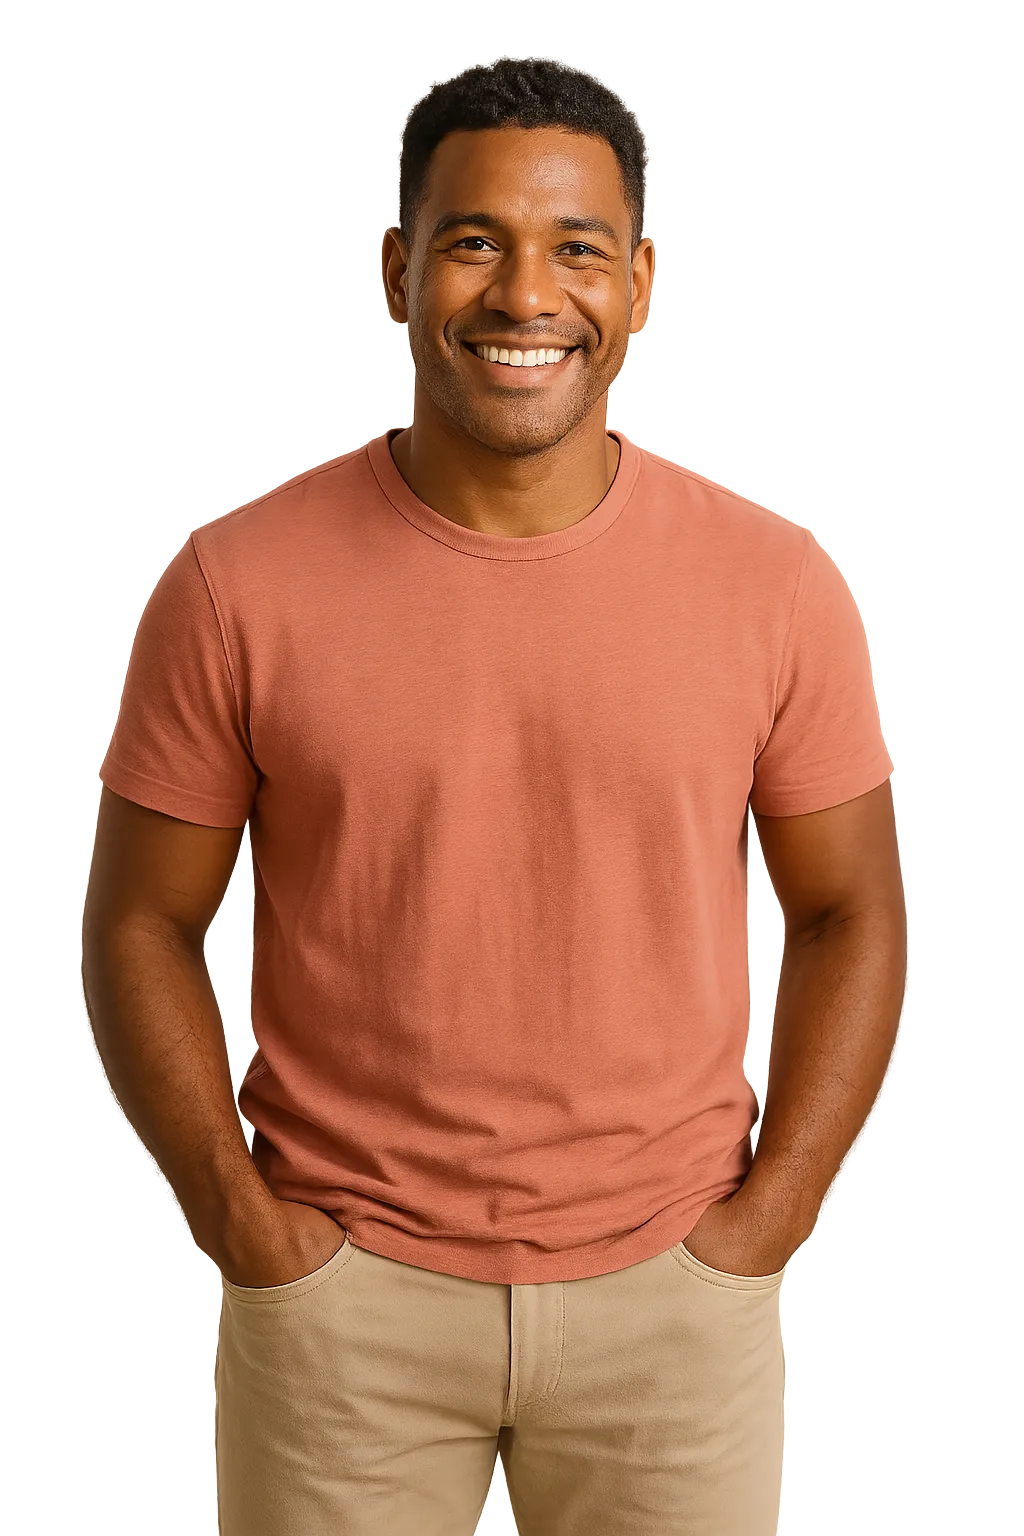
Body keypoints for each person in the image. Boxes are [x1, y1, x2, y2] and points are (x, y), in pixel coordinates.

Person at [82, 56, 907, 1536]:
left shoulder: (776, 584)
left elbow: (851, 908)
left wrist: (772, 1216)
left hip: (673, 1305)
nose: (528, 293)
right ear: (396, 271)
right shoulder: (232, 582)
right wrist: (240, 1223)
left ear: (636, 284)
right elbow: (144, 920)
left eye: (577, 247)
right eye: (475, 241)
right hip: (345, 1311)